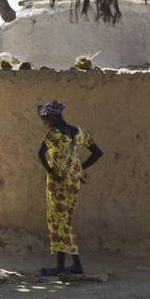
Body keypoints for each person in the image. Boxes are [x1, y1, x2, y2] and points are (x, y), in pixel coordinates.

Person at [36, 100, 103, 276]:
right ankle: (73, 264)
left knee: (59, 221)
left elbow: (40, 153)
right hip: (74, 181)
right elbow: (97, 153)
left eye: (46, 119)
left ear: (52, 117)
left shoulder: (54, 134)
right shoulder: (78, 132)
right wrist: (79, 168)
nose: (45, 123)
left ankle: (64, 266)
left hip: (58, 183)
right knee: (64, 221)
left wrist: (51, 171)